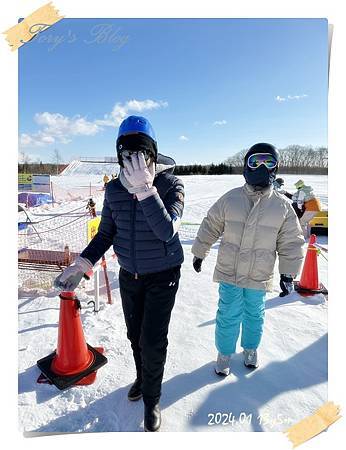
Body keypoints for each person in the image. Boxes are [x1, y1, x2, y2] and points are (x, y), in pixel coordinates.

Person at [55, 116, 185, 432]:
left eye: (142, 154)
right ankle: (143, 377)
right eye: (127, 155)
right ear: (119, 155)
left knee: (152, 340)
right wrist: (82, 264)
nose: (134, 162)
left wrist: (145, 190)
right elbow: (106, 233)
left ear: (153, 153)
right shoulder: (113, 190)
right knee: (134, 335)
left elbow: (167, 231)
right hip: (130, 275)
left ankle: (152, 399)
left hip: (163, 273)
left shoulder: (171, 185)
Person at [191, 143, 304, 376]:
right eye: (255, 162)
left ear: (276, 168)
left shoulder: (282, 206)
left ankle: (250, 349)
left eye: (269, 162)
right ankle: (224, 353)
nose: (261, 167)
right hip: (229, 270)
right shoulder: (231, 199)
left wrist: (288, 272)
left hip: (259, 273)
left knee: (255, 313)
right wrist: (199, 251)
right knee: (228, 312)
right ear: (246, 166)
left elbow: (291, 241)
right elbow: (211, 224)